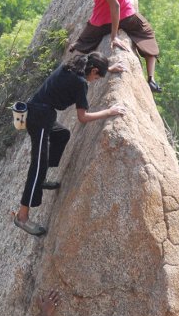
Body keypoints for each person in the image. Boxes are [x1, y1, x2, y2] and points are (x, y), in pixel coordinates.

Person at [14, 52, 126, 237]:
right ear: (94, 70)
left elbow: (89, 73)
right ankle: (22, 216)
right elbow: (83, 118)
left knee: (62, 135)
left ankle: (40, 179)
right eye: (97, 76)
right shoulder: (80, 83)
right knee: (37, 166)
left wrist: (110, 69)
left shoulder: (74, 64)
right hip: (39, 117)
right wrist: (109, 112)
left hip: (41, 111)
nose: (96, 80)